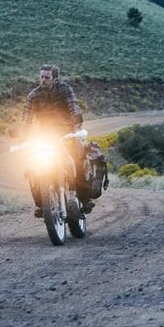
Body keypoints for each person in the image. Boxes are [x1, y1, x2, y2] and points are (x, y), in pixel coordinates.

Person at [20, 65, 104, 215]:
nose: (43, 80)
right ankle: (41, 203)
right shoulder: (33, 95)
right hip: (45, 135)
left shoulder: (65, 89)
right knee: (32, 166)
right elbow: (27, 118)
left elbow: (73, 105)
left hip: (66, 133)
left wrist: (77, 119)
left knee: (77, 162)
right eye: (42, 77)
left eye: (47, 77)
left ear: (55, 78)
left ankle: (85, 199)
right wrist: (22, 133)